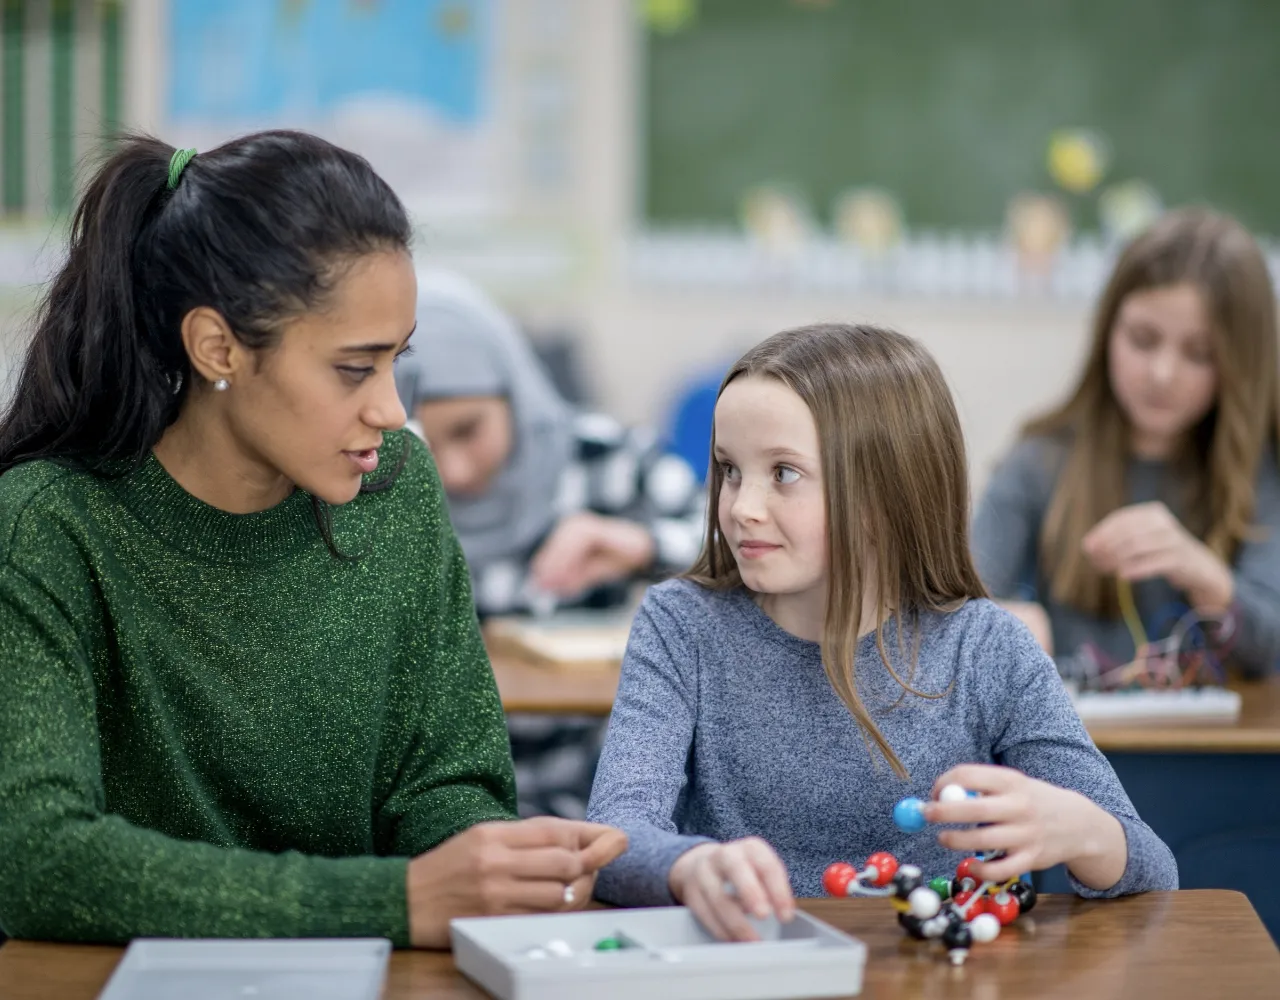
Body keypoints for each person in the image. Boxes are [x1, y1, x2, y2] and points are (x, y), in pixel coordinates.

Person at [0, 131, 625, 949]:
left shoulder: (395, 490)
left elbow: (444, 783)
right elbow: (40, 860)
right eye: (354, 369)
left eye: (397, 361)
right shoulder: (48, 525)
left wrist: (485, 865)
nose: (392, 411)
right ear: (217, 348)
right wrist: (393, 902)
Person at [586, 323, 1177, 942]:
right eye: (730, 470)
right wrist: (686, 865)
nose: (740, 507)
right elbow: (614, 840)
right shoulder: (679, 623)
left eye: (783, 473)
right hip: (747, 967)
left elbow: (1153, 869)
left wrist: (1083, 831)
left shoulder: (987, 648)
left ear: (884, 492)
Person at [395, 271, 704, 818]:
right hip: (436, 794)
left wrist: (640, 544)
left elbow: (734, 538)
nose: (454, 470)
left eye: (468, 430)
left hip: (597, 783)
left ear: (517, 394)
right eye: (424, 443)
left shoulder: (599, 460)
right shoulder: (383, 487)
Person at [973, 208, 1280, 680]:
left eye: (1199, 354)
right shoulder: (1038, 460)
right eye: (1142, 340)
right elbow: (949, 617)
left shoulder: (1262, 471)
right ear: (1107, 332)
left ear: (1240, 366)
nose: (1162, 374)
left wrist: (1208, 577)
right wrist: (995, 623)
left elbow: (1271, 646)